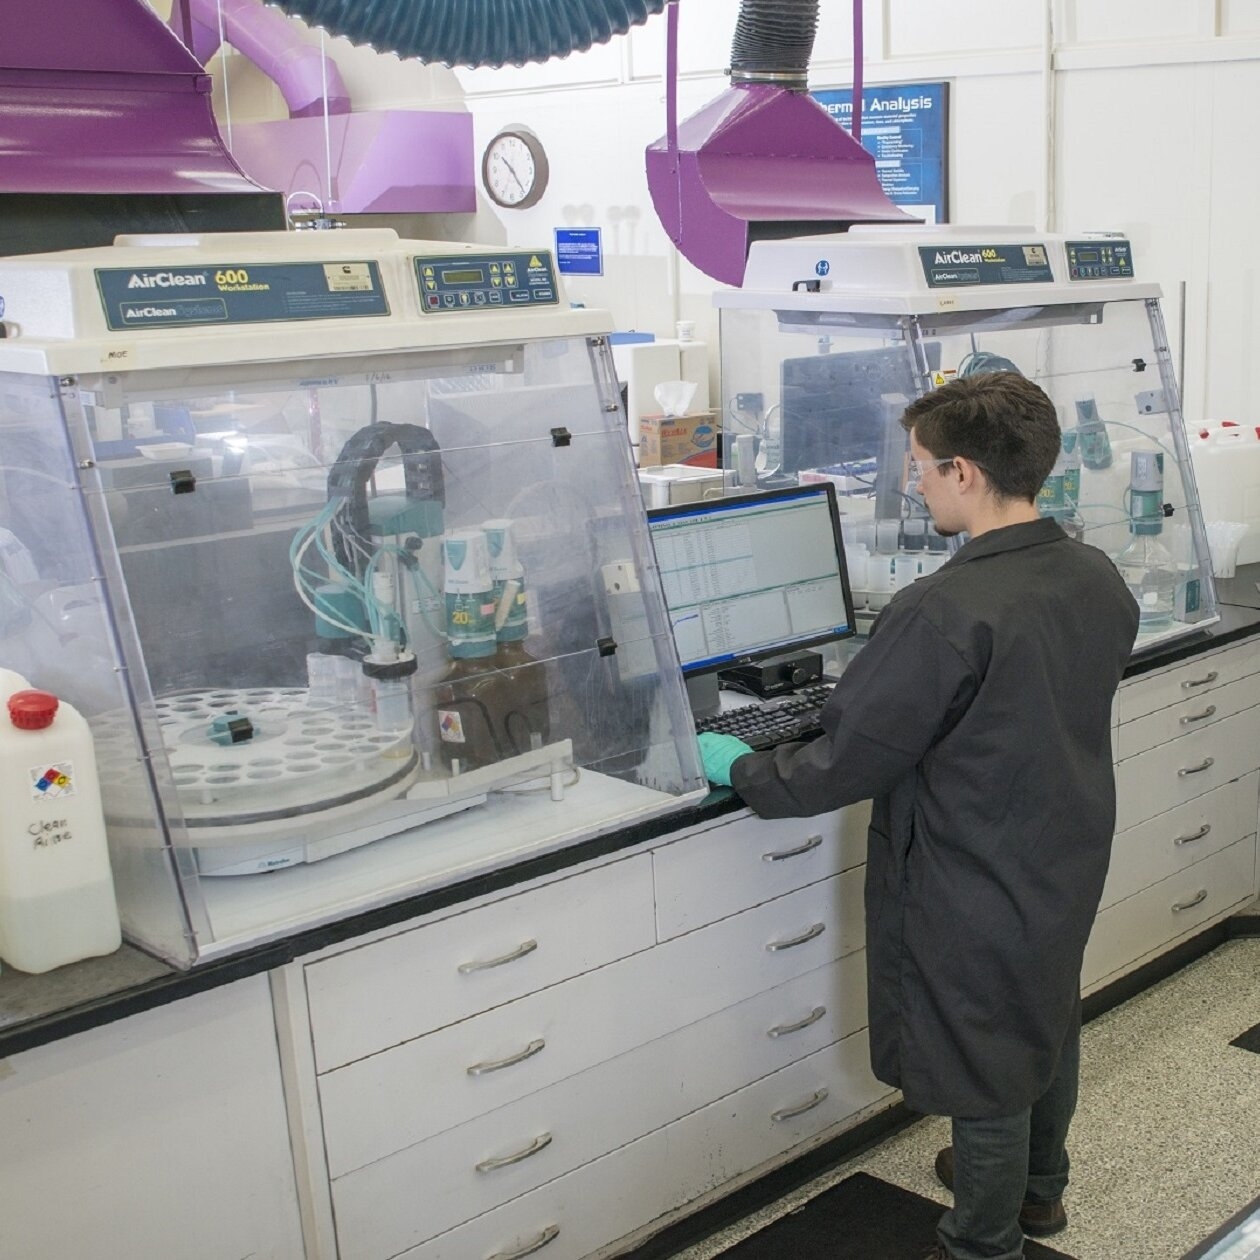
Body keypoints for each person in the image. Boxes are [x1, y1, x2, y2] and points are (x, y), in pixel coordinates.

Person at [697, 373, 1141, 1260]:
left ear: (965, 472)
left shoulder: (944, 610)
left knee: (982, 1055)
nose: (916, 485)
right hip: (1063, 845)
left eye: (920, 469)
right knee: (1042, 1016)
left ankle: (980, 1241)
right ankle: (1038, 1192)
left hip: (971, 865)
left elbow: (844, 761)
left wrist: (742, 765)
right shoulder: (1093, 573)